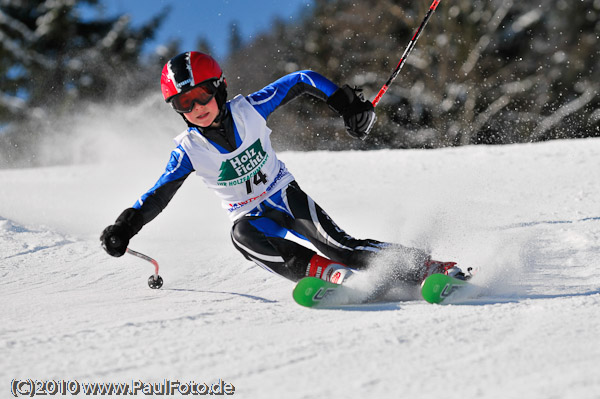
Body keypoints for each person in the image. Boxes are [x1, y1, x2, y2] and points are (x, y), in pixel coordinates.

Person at [100, 51, 461, 287]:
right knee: (242, 237)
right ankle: (327, 277)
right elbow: (157, 196)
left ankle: (426, 267)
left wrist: (346, 104)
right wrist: (125, 226)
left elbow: (301, 79)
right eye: (183, 102)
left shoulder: (248, 109)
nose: (196, 107)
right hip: (251, 216)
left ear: (219, 89)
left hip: (283, 195)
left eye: (201, 95)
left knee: (339, 245)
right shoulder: (189, 150)